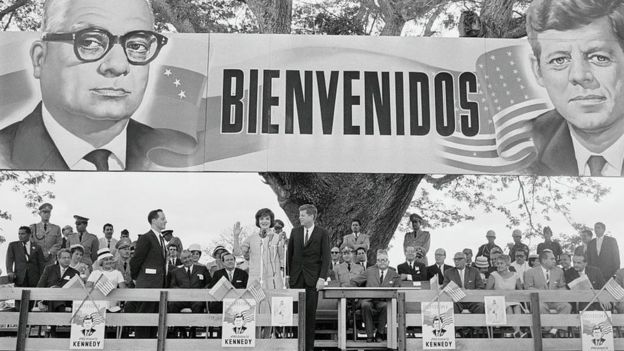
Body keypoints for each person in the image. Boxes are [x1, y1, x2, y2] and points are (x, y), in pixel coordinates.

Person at [0, 0, 191, 171]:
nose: (118, 66)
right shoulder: (5, 153)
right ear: (39, 59)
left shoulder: (181, 152)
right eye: (90, 42)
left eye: (137, 46)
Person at [526, 0, 624, 176]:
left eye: (599, 57)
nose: (579, 75)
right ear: (538, 71)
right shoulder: (526, 143)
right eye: (559, 60)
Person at [286, 204, 331, 351]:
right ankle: (294, 346)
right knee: (295, 314)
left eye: (303, 215)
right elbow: (289, 255)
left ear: (311, 216)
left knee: (310, 316)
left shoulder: (322, 233)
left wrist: (322, 278)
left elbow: (326, 258)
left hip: (313, 280)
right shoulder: (295, 232)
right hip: (296, 279)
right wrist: (288, 276)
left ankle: (308, 348)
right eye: (300, 215)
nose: (300, 218)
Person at [130, 209, 168, 338]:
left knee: (154, 323)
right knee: (143, 322)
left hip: (159, 287)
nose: (165, 221)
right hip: (147, 286)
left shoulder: (161, 240)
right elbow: (136, 260)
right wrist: (136, 278)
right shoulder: (146, 238)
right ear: (154, 220)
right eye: (162, 219)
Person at [350, 250, 401, 342]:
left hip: (383, 301)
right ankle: (369, 335)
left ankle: (379, 333)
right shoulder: (369, 271)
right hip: (368, 300)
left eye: (384, 260)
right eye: (379, 260)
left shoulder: (395, 275)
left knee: (386, 306)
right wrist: (357, 295)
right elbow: (354, 281)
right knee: (365, 305)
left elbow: (397, 291)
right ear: (376, 262)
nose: (382, 262)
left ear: (388, 262)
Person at [234, 208, 286, 290]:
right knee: (255, 302)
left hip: (273, 281)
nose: (264, 221)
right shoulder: (252, 238)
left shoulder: (278, 238)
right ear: (258, 221)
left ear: (271, 221)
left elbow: (282, 258)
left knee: (273, 302)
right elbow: (237, 253)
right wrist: (236, 236)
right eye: (261, 219)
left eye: (267, 219)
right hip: (256, 279)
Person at [523, 250, 571, 338]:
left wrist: (558, 292)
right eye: (552, 259)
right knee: (540, 307)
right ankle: (548, 330)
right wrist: (544, 293)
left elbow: (562, 286)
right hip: (540, 300)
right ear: (544, 260)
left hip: (555, 300)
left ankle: (555, 329)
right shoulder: (530, 272)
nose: (555, 261)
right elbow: (528, 288)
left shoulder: (559, 271)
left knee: (567, 306)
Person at [6, 226, 47, 310]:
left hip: (34, 279)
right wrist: (10, 271)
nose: (20, 236)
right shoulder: (13, 245)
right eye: (19, 234)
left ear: (29, 235)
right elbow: (9, 260)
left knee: (31, 303)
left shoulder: (37, 247)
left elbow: (41, 264)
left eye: (23, 234)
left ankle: (29, 322)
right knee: (19, 303)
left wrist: (43, 278)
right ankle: (19, 321)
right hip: (20, 277)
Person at [486, 255, 524, 337]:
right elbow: (487, 291)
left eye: (501, 263)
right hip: (498, 300)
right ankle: (518, 332)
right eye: (497, 263)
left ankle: (517, 331)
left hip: (513, 299)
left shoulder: (515, 275)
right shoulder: (493, 275)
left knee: (517, 306)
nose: (498, 265)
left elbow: (520, 290)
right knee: (509, 308)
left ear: (507, 265)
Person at [37, 249, 80, 313]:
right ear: (58, 259)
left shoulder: (75, 273)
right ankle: (60, 314)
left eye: (69, 258)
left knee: (56, 297)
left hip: (66, 300)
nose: (67, 260)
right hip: (49, 298)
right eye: (64, 258)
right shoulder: (49, 269)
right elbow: (40, 286)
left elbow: (76, 291)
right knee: (54, 294)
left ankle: (52, 321)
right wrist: (39, 302)